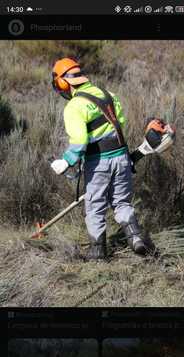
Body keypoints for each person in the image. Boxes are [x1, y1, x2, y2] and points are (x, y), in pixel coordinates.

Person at [51, 57, 149, 260]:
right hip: (122, 156)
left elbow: (79, 140)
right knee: (122, 202)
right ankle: (136, 239)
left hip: (99, 162)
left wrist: (66, 161)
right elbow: (119, 124)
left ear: (63, 82)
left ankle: (98, 252)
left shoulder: (74, 106)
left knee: (95, 206)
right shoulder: (109, 95)